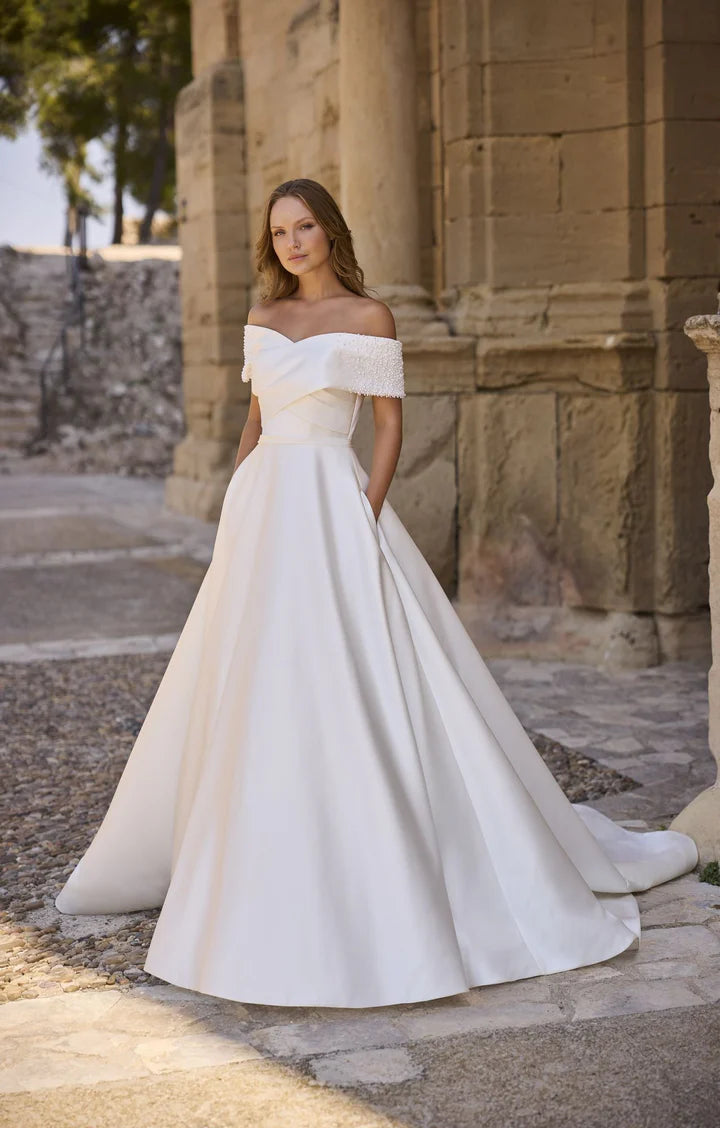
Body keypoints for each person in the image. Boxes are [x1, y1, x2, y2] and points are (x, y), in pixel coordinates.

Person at [55, 178, 698, 1009]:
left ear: (330, 232)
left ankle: (390, 854)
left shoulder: (371, 317)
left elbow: (387, 426)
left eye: (305, 227)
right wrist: (237, 498)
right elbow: (255, 417)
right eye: (279, 231)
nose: (292, 242)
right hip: (265, 508)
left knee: (354, 670)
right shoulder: (261, 318)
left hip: (333, 497)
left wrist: (365, 510)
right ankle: (252, 854)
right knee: (254, 677)